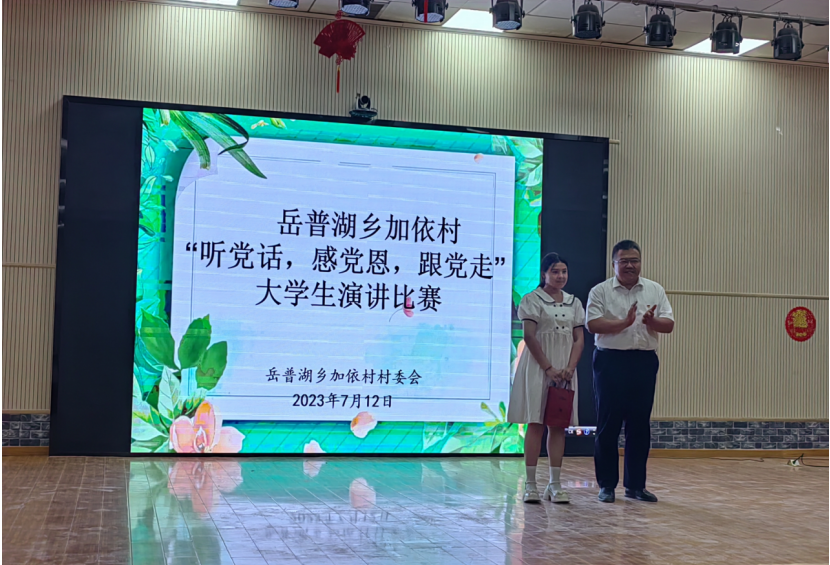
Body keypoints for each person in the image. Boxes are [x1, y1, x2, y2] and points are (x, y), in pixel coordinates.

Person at [585, 240, 674, 503]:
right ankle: (607, 485)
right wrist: (624, 323)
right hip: (610, 362)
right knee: (608, 425)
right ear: (614, 264)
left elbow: (668, 324)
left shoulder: (654, 289)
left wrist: (652, 321)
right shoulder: (600, 291)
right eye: (623, 261)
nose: (629, 265)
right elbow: (592, 324)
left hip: (643, 362)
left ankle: (636, 486)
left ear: (640, 262)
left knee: (639, 425)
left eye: (634, 260)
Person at [507, 252, 585, 504]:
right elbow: (529, 336)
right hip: (538, 367)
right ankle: (530, 485)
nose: (560, 276)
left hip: (565, 370)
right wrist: (548, 367)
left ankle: (555, 484)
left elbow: (579, 339)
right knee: (536, 422)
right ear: (544, 274)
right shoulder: (531, 300)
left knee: (558, 425)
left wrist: (570, 368)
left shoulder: (574, 302)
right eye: (555, 271)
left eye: (564, 271)